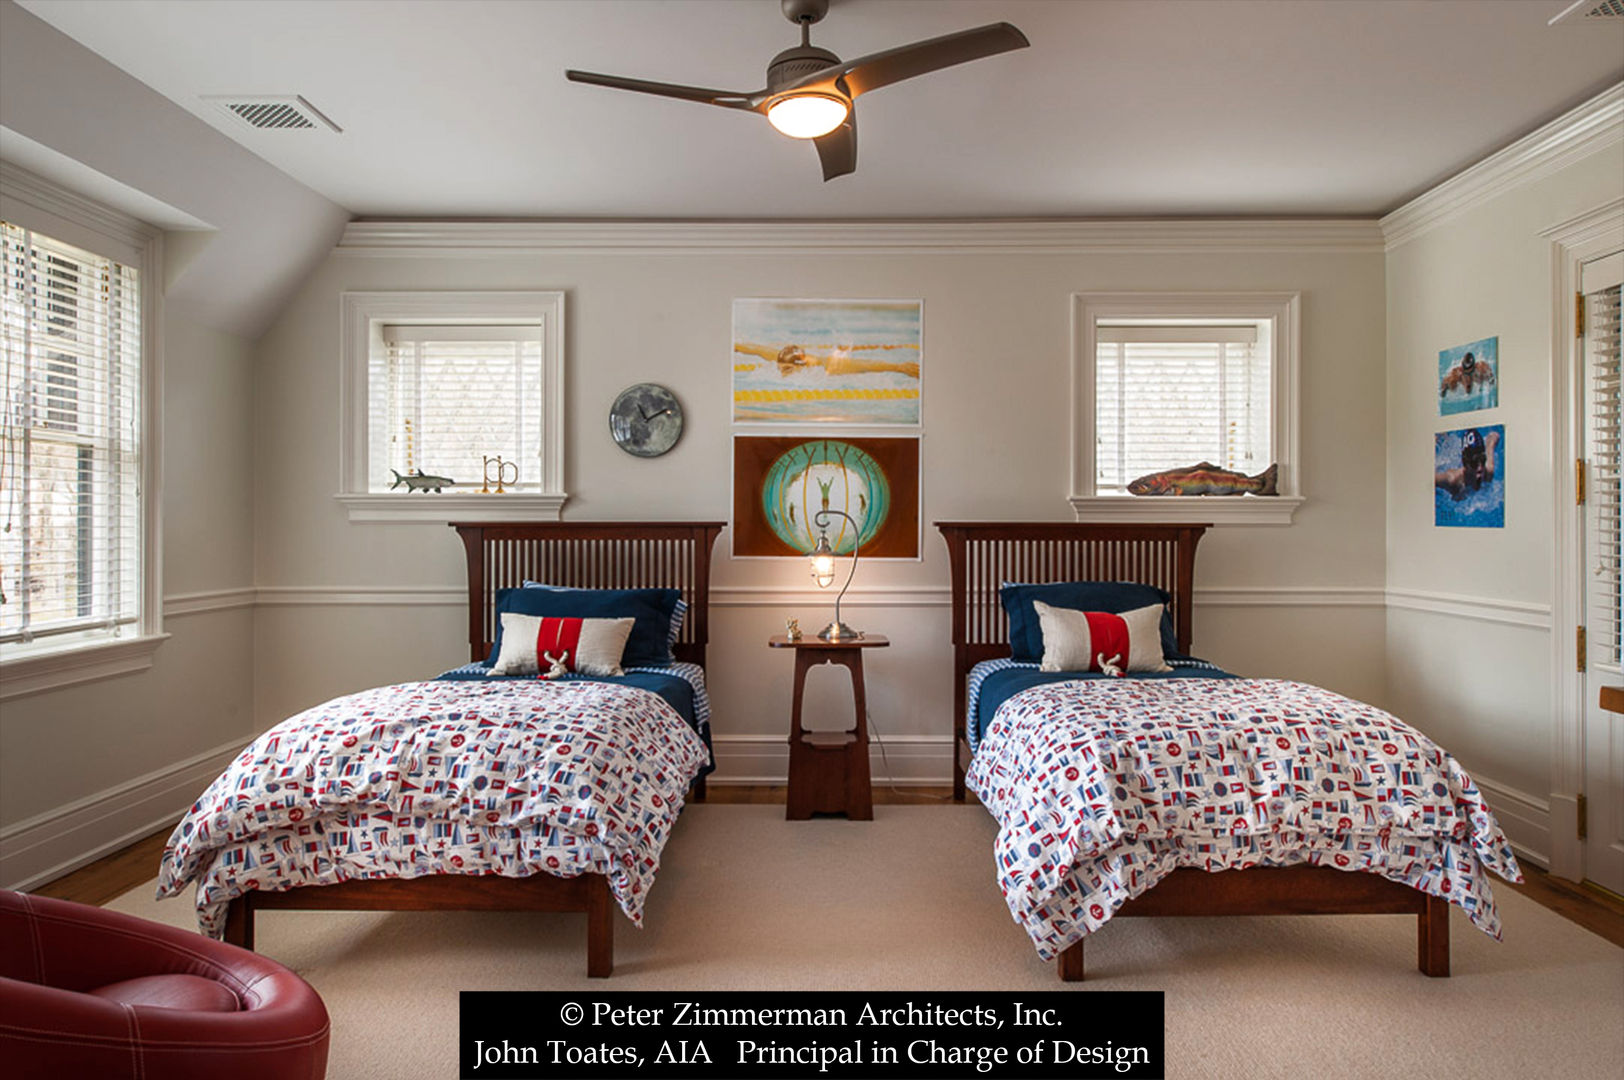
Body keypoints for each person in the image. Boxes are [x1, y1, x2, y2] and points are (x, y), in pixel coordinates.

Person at [734, 341, 920, 378]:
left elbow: (864, 366)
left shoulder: (827, 366)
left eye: (788, 370)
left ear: (802, 365)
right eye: (781, 369)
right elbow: (754, 348)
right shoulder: (778, 357)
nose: (782, 374)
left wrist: (898, 367)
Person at [1435, 428, 1499, 499]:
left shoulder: (1488, 472)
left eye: (1482, 459)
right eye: (1474, 463)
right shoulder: (1453, 480)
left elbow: (1492, 440)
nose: (1480, 467)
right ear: (1465, 463)